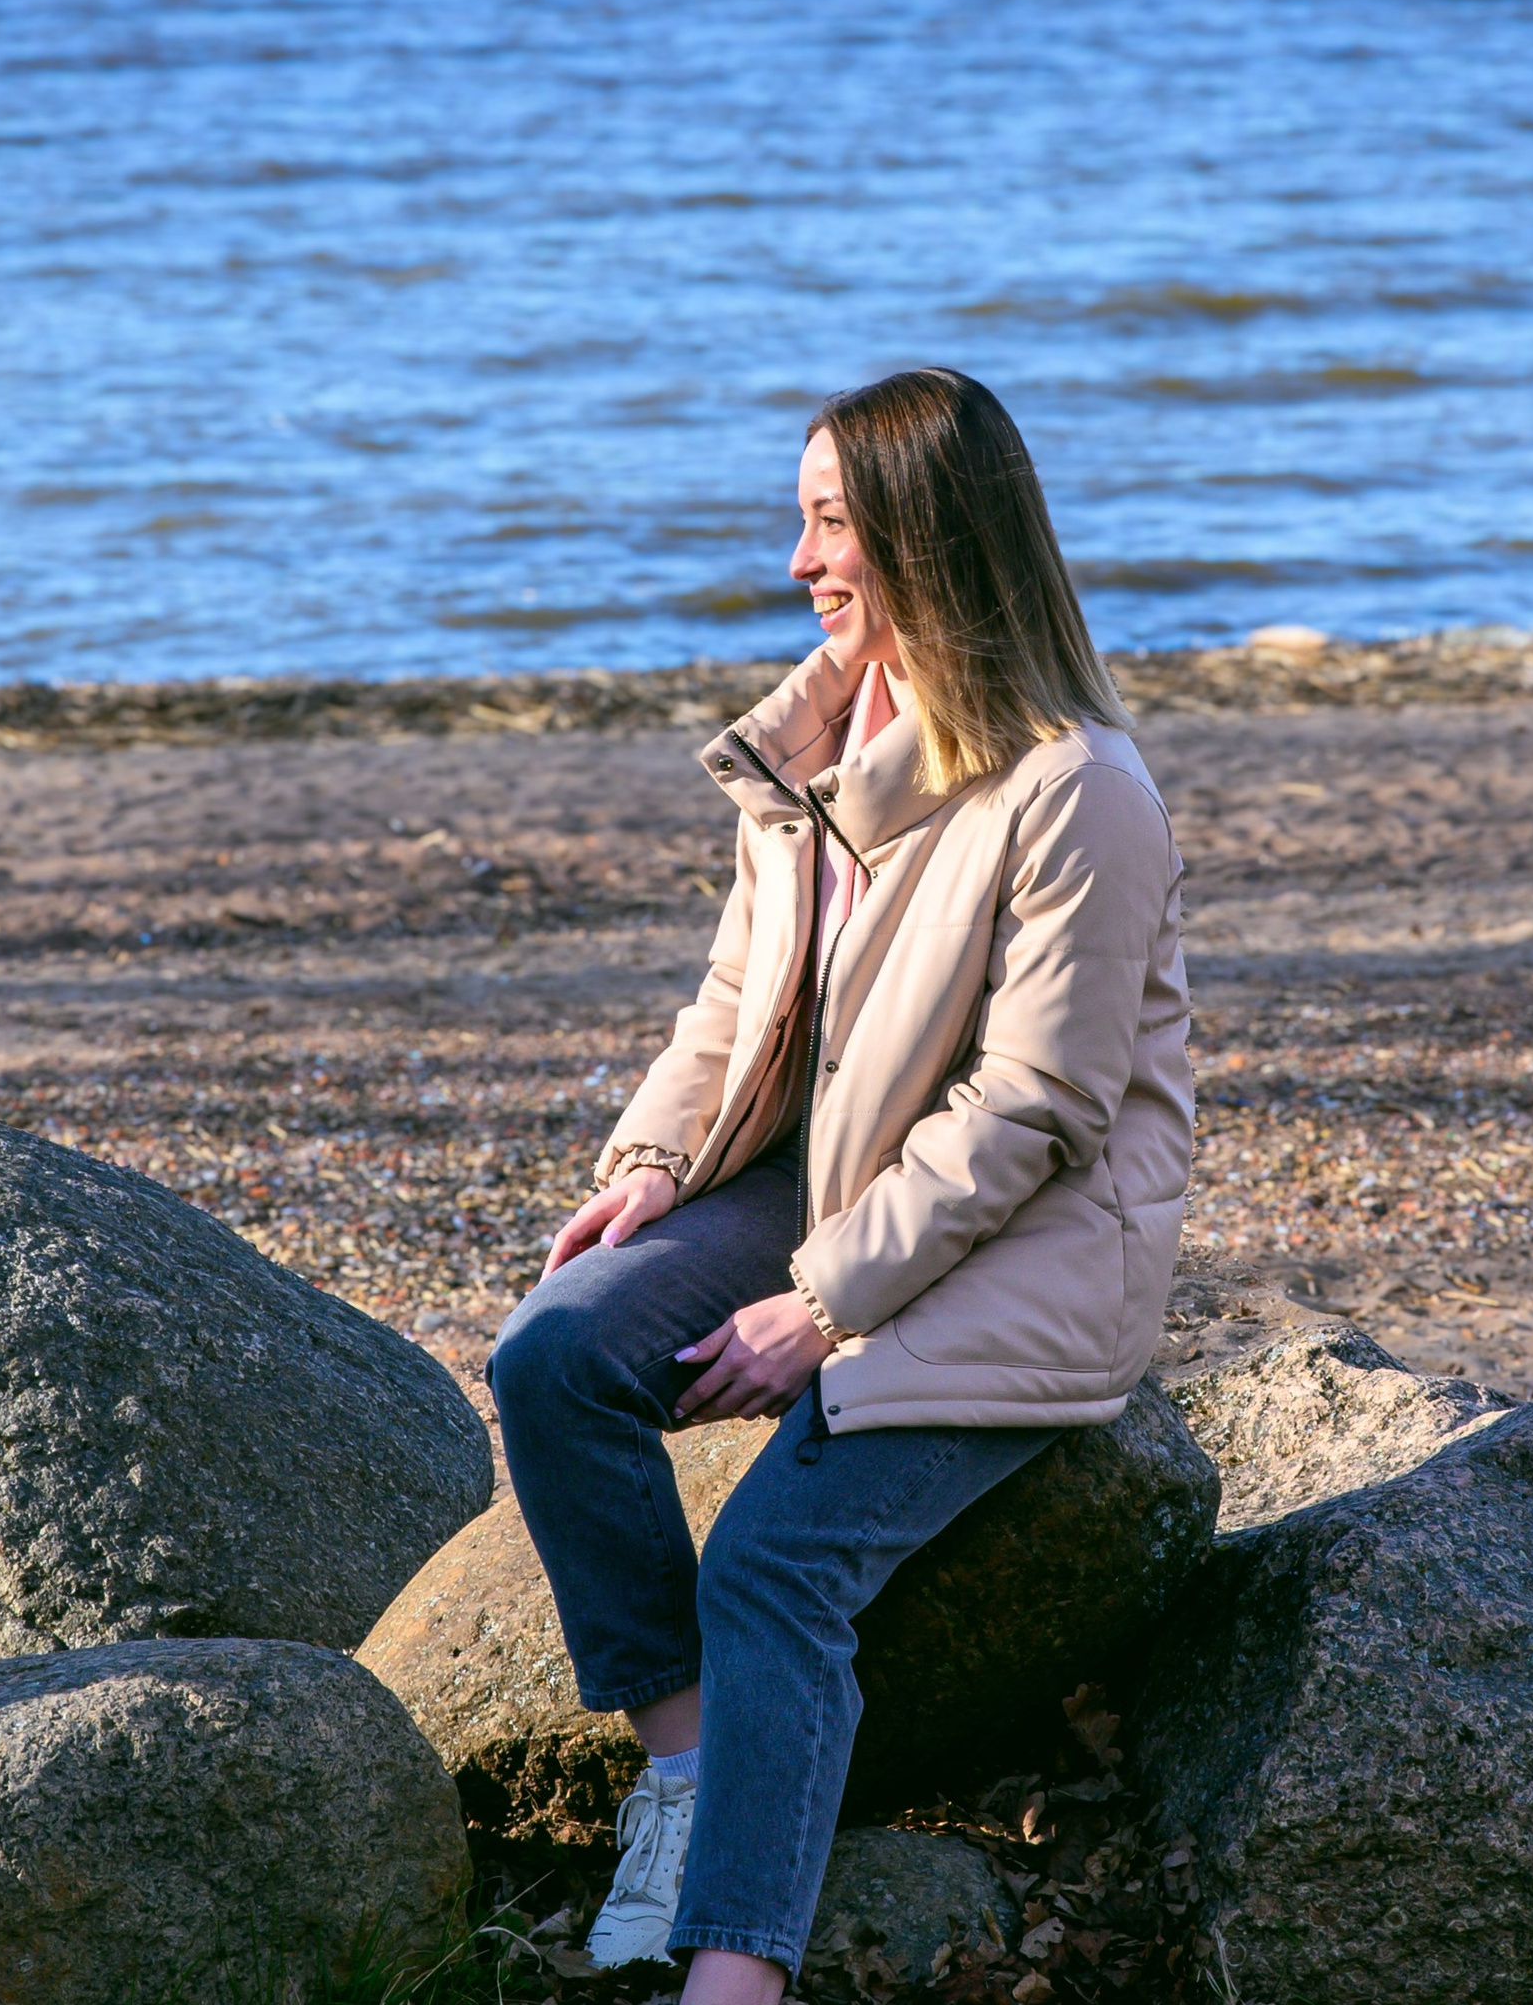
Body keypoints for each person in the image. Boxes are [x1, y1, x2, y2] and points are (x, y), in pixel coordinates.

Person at [488, 366, 1194, 2002]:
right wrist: (655, 1165)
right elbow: (737, 1002)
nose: (802, 560)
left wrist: (818, 1308)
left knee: (771, 1567)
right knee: (551, 1353)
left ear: (926, 536)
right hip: (825, 1177)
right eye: (803, 519)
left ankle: (740, 1979)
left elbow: (1037, 1109)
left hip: (1028, 1246)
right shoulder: (813, 742)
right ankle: (685, 1772)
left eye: (830, 522)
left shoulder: (1078, 787)